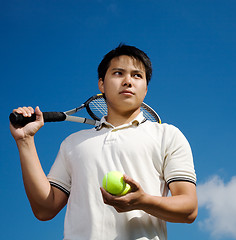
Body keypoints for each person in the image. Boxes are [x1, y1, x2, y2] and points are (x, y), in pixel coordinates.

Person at [10, 44, 197, 240]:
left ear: (146, 88)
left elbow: (189, 208)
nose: (128, 81)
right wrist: (25, 141)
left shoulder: (168, 135)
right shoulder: (72, 143)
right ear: (101, 84)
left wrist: (142, 201)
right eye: (118, 73)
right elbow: (45, 209)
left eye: (137, 75)